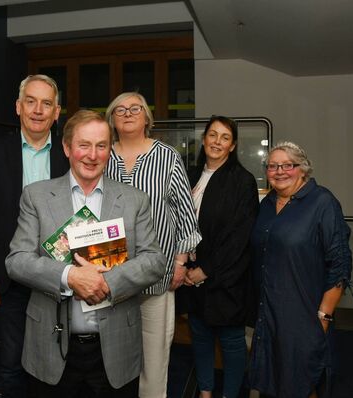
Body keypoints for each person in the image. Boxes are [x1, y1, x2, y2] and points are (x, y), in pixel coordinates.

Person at [5, 110, 166, 397]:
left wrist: (105, 283)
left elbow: (154, 261)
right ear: (67, 148)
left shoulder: (135, 200)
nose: (92, 155)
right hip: (51, 345)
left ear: (109, 150)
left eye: (101, 146)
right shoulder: (37, 196)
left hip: (115, 348)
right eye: (83, 145)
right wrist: (70, 276)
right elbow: (17, 261)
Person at [0, 74, 69, 397]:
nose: (38, 110)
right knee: (12, 363)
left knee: (60, 361)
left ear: (57, 112)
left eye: (46, 103)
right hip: (11, 275)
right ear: (18, 107)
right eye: (31, 101)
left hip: (60, 274)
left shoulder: (71, 154)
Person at [104, 92, 201, 397]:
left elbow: (185, 212)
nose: (128, 113)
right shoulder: (102, 155)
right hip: (110, 277)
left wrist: (181, 261)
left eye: (135, 108)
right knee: (112, 357)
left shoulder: (167, 156)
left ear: (147, 117)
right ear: (112, 119)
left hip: (157, 273)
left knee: (154, 358)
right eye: (120, 109)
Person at [249, 141, 352, 398]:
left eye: (287, 165)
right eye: (273, 166)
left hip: (304, 315)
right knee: (272, 379)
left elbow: (340, 263)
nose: (279, 171)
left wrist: (324, 316)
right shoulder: (266, 205)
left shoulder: (323, 202)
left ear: (302, 169)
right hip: (268, 311)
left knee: (302, 382)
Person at [175, 115, 259, 398]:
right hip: (192, 273)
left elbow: (239, 236)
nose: (217, 142)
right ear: (204, 139)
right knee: (199, 338)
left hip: (226, 277)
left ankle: (231, 394)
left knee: (232, 341)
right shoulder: (192, 174)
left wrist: (206, 270)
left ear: (233, 145)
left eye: (225, 137)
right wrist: (185, 264)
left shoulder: (242, 181)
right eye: (213, 135)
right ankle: (206, 391)